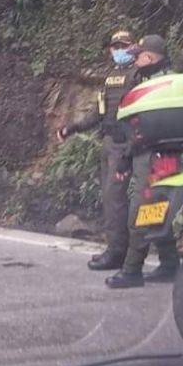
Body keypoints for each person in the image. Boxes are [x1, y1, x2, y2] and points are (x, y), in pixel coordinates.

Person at [56, 29, 140, 271]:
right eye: (115, 47)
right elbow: (99, 112)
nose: (119, 51)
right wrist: (71, 128)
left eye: (124, 46)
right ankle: (116, 248)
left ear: (133, 46)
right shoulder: (112, 77)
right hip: (110, 142)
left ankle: (118, 253)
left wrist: (130, 146)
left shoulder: (138, 76)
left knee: (116, 198)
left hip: (127, 144)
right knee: (109, 197)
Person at [105, 34, 182, 289]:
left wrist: (126, 157)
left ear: (149, 57)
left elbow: (144, 129)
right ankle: (170, 263)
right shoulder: (163, 81)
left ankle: (132, 270)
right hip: (159, 155)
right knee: (156, 208)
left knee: (141, 210)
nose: (134, 59)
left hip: (151, 157)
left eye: (138, 55)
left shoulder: (155, 86)